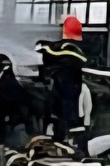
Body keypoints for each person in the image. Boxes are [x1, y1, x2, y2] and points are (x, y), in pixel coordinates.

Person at [35, 16, 89, 146]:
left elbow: (45, 53)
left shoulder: (57, 49)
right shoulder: (76, 50)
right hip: (71, 94)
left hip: (58, 94)